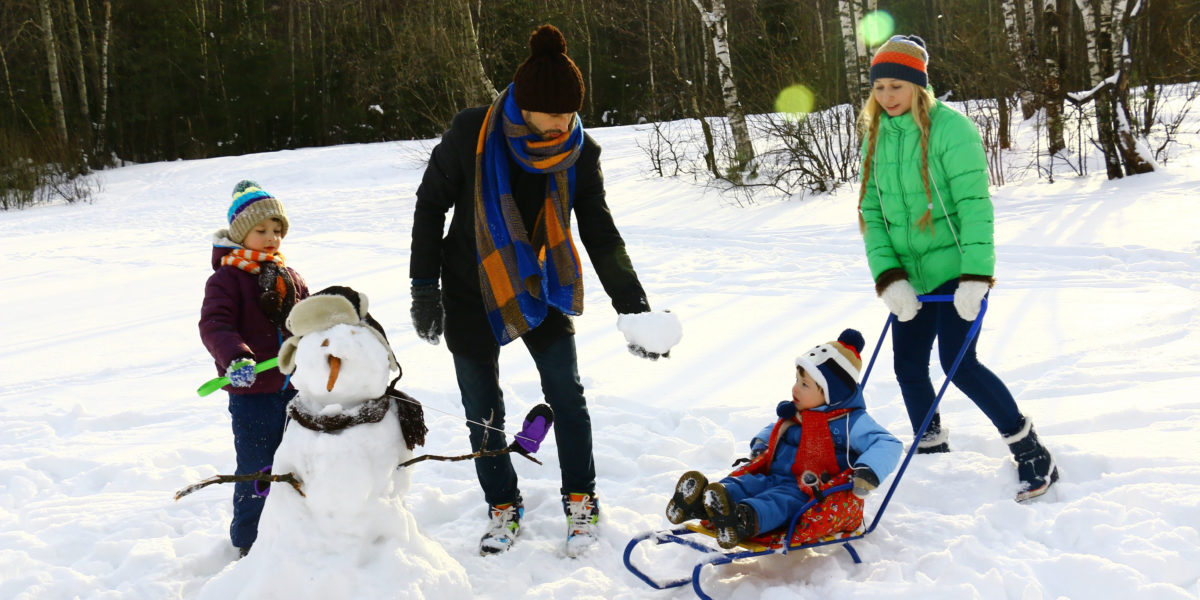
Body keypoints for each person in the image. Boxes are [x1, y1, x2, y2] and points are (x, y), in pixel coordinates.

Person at [408, 24, 679, 557]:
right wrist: (424, 287)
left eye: (570, 113)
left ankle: (581, 498)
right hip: (468, 284)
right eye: (551, 114)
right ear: (523, 106)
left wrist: (634, 308)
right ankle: (502, 506)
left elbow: (600, 231)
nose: (562, 124)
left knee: (567, 396)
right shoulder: (471, 134)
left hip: (541, 284)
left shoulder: (580, 151)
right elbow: (429, 205)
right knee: (481, 408)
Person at [857, 35, 1059, 502]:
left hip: (955, 270)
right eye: (879, 87)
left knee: (956, 362)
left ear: (918, 86)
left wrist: (975, 276)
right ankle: (929, 443)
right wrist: (889, 278)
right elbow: (871, 211)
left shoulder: (953, 130)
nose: (887, 97)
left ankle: (1030, 450)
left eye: (896, 86)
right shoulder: (875, 134)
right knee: (907, 364)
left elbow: (974, 208)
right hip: (911, 277)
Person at [665, 329, 901, 549]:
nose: (795, 389)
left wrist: (867, 470)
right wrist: (762, 443)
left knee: (778, 502)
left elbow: (887, 443)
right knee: (746, 484)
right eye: (797, 380)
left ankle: (743, 520)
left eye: (805, 384)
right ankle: (702, 503)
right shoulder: (800, 411)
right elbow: (776, 427)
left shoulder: (851, 422)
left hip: (807, 489)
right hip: (774, 475)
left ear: (831, 395)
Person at [200, 180, 309, 556]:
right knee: (258, 469)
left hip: (297, 390)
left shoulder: (289, 276)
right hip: (253, 396)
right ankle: (250, 541)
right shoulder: (226, 280)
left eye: (277, 231)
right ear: (241, 234)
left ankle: (300, 529)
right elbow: (215, 325)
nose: (271, 238)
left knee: (300, 462)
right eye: (261, 230)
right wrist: (236, 358)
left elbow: (306, 321)